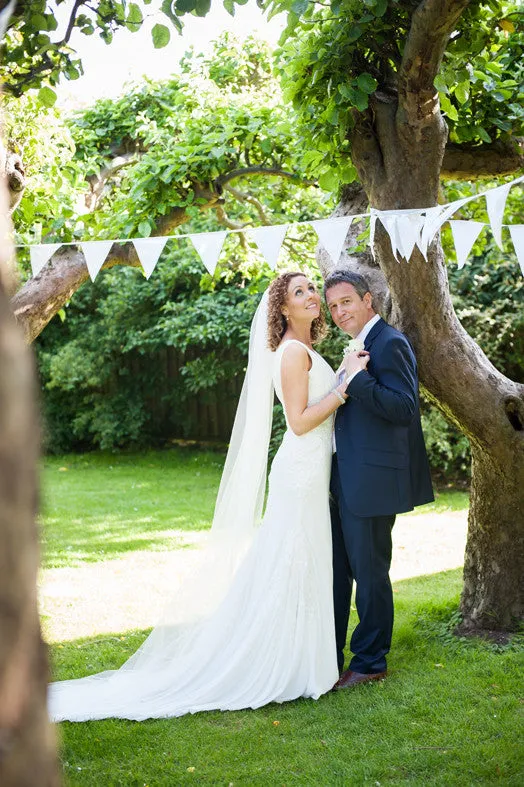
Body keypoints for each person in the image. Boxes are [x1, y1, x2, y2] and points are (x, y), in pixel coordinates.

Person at [48, 272, 349, 721]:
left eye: (311, 290)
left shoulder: (303, 350)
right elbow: (300, 422)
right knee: (290, 561)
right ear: (282, 309)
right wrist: (344, 389)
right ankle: (281, 663)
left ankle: (305, 660)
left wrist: (345, 370)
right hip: (300, 473)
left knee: (300, 562)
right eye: (299, 292)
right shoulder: (289, 353)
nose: (311, 297)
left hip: (311, 471)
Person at [324, 269, 434, 689]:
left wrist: (356, 379)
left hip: (372, 480)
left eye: (346, 302)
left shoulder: (389, 342)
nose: (338, 312)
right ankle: (332, 655)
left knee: (370, 573)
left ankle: (371, 662)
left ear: (368, 300)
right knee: (341, 571)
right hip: (343, 476)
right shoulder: (358, 346)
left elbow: (404, 407)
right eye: (333, 306)